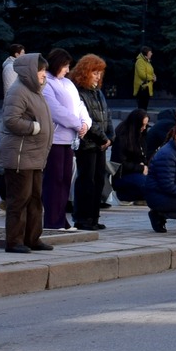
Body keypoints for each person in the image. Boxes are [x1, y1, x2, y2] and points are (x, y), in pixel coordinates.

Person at [0, 53, 54, 254]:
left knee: (35, 199)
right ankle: (14, 241)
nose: (44, 74)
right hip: (20, 157)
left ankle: (32, 238)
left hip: (35, 156)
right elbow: (11, 119)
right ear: (30, 71)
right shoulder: (18, 91)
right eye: (41, 70)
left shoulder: (35, 91)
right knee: (19, 200)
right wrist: (34, 128)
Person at [121, 120, 176, 233]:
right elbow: (167, 186)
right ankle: (159, 214)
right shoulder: (167, 155)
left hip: (174, 190)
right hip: (160, 196)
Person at [42, 49, 91, 231]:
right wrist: (78, 124)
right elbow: (56, 110)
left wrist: (86, 123)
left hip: (69, 140)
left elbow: (79, 105)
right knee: (54, 182)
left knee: (64, 181)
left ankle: (61, 218)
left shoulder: (68, 83)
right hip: (55, 139)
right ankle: (52, 220)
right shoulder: (47, 83)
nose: (67, 69)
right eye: (65, 65)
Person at [71, 54, 114, 230]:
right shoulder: (79, 93)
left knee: (99, 180)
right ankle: (83, 218)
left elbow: (107, 115)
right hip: (87, 143)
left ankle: (94, 217)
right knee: (86, 181)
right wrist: (103, 138)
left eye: (100, 73)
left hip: (101, 144)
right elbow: (86, 119)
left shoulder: (98, 92)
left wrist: (110, 137)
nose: (98, 76)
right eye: (94, 72)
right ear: (85, 72)